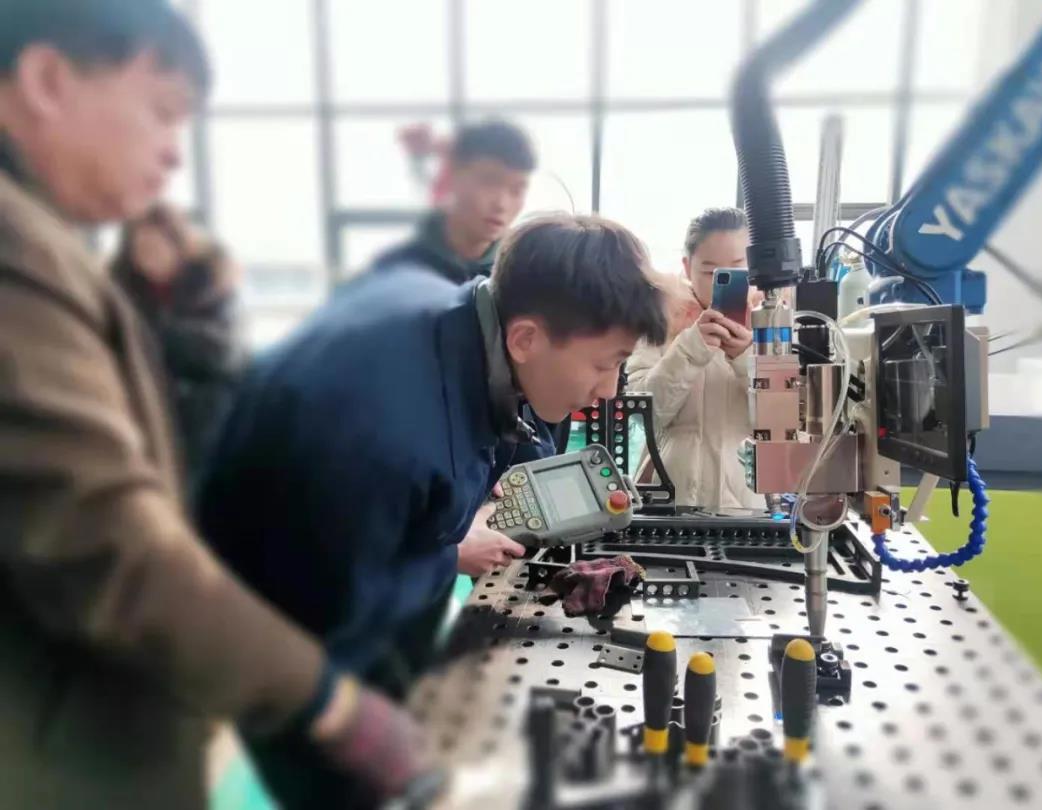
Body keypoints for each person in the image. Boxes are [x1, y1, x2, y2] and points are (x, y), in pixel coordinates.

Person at [0, 3, 432, 808]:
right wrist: (329, 702)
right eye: (162, 111)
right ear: (48, 80)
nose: (174, 152)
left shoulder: (48, 244)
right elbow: (103, 540)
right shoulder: (16, 244)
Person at [197, 213, 668, 807]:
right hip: (273, 625)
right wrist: (447, 555)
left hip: (328, 545)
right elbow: (327, 618)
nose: (610, 390)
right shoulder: (386, 437)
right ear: (525, 339)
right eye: (604, 364)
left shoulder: (463, 315)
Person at [626, 207, 765, 512]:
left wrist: (746, 359)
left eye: (738, 269)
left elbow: (786, 424)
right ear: (687, 268)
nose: (721, 281)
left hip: (745, 506)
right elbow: (643, 413)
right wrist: (690, 349)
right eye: (710, 271)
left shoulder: (774, 326)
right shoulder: (660, 322)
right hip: (667, 498)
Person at [111, 202, 243, 483]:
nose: (149, 258)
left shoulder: (212, 281)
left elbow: (225, 352)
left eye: (156, 248)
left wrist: (156, 333)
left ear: (177, 246)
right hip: (142, 417)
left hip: (205, 419)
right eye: (141, 249)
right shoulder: (118, 289)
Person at [371, 118, 536, 283]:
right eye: (489, 183)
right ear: (453, 175)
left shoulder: (524, 273)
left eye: (517, 190)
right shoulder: (397, 270)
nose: (501, 205)